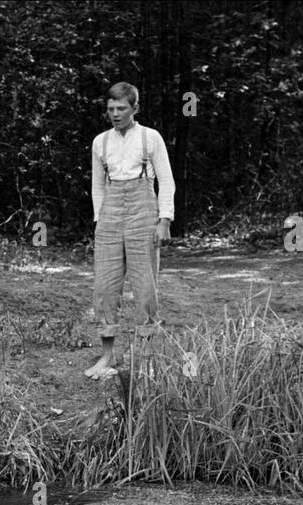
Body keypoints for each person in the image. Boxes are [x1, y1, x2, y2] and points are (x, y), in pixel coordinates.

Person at [86, 81, 176, 380]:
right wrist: (101, 220)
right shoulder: (100, 142)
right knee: (104, 287)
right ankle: (108, 356)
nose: (115, 114)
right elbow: (98, 185)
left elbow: (166, 180)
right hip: (110, 214)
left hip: (143, 212)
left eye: (121, 108)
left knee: (144, 285)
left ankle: (145, 358)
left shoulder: (150, 138)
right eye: (111, 109)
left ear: (135, 108)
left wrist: (164, 220)